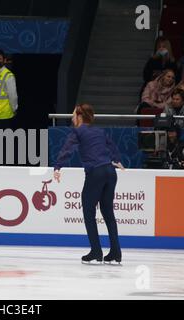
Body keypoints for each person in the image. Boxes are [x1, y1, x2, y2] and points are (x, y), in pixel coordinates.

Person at [53, 104, 124, 264]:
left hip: (96, 172)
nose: (71, 118)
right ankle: (115, 252)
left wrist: (58, 166)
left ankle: (96, 251)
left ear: (79, 116)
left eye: (73, 115)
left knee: (88, 212)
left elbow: (67, 149)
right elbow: (112, 146)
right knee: (108, 213)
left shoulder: (78, 131)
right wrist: (117, 160)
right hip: (110, 172)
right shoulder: (99, 131)